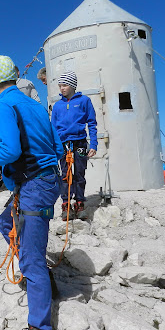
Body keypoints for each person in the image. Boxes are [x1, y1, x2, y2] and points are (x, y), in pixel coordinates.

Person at [0, 55, 62, 330]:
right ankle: (40, 273)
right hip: (47, 180)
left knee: (30, 259)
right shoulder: (34, 104)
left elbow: (10, 150)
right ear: (15, 75)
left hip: (34, 186)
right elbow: (54, 147)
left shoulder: (3, 104)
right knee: (5, 221)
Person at [50, 71, 97, 220]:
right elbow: (53, 128)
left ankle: (80, 203)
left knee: (79, 174)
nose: (61, 88)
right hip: (63, 144)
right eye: (60, 86)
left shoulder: (84, 101)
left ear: (72, 85)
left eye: (64, 85)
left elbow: (92, 123)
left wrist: (94, 144)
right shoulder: (57, 106)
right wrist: (53, 146)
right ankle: (66, 204)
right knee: (65, 175)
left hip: (81, 142)